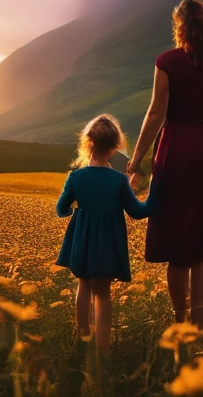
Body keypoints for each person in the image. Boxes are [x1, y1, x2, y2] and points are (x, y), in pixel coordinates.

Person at [127, 0, 203, 329]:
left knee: (177, 247)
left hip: (174, 152)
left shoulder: (167, 62)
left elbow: (155, 113)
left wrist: (136, 160)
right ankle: (202, 331)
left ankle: (180, 326)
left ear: (179, 26)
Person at [56, 113, 155, 355]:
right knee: (103, 294)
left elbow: (61, 209)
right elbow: (139, 212)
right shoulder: (119, 180)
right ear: (114, 147)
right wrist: (154, 191)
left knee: (84, 286)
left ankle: (84, 339)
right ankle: (102, 347)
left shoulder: (75, 177)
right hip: (108, 244)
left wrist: (76, 211)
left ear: (88, 143)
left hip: (83, 241)